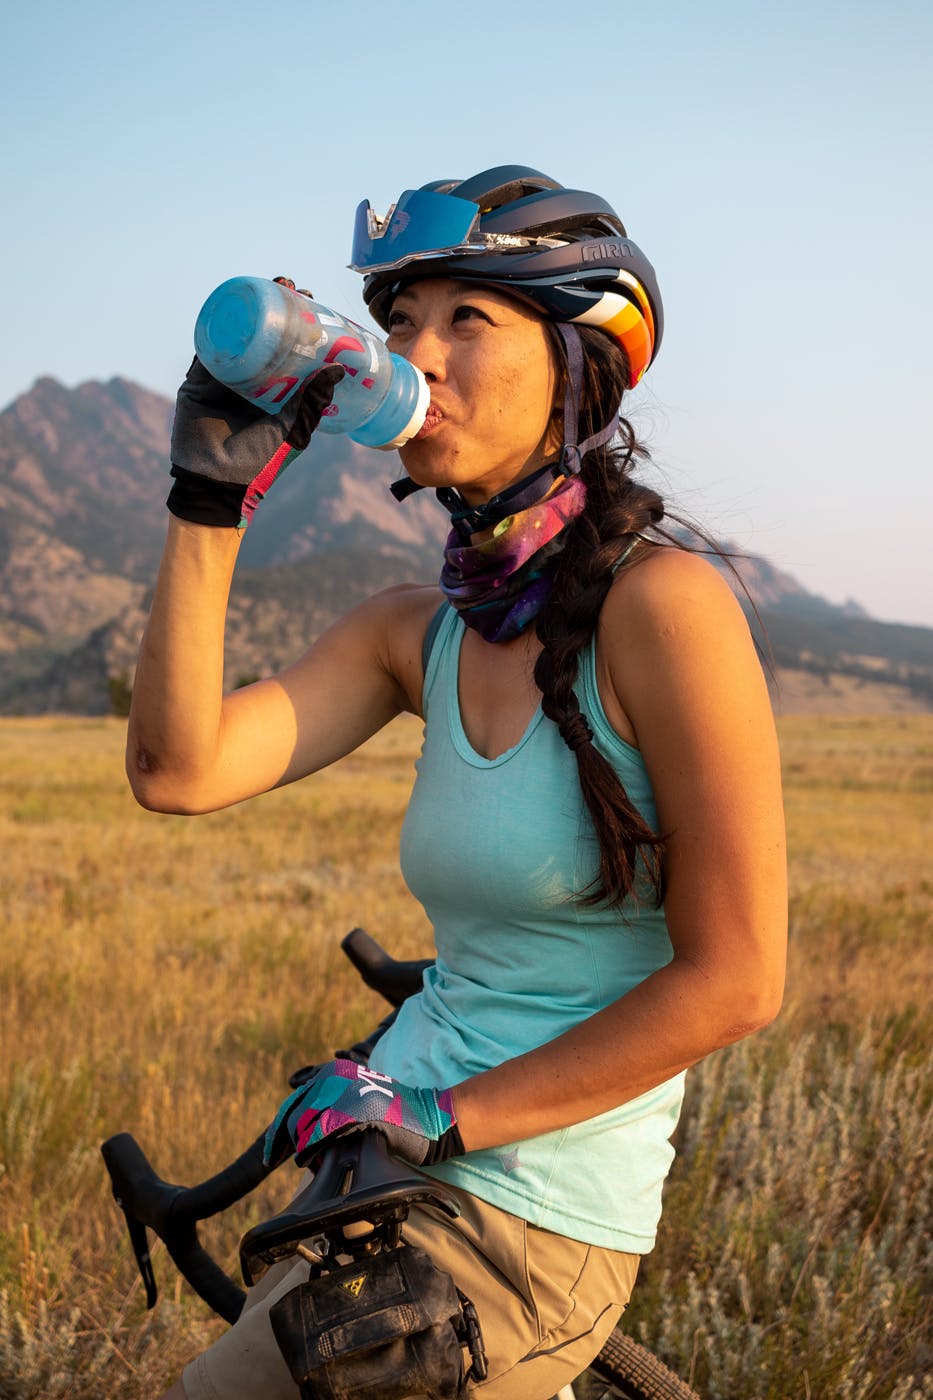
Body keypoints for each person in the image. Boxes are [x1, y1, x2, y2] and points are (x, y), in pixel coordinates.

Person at [131, 165, 787, 1400]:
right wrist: (207, 501)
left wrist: (445, 1114)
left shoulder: (667, 608)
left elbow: (739, 976)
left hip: (529, 1211)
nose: (416, 355)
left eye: (466, 319)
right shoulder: (414, 632)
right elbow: (178, 769)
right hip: (392, 1174)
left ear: (579, 360)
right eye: (396, 323)